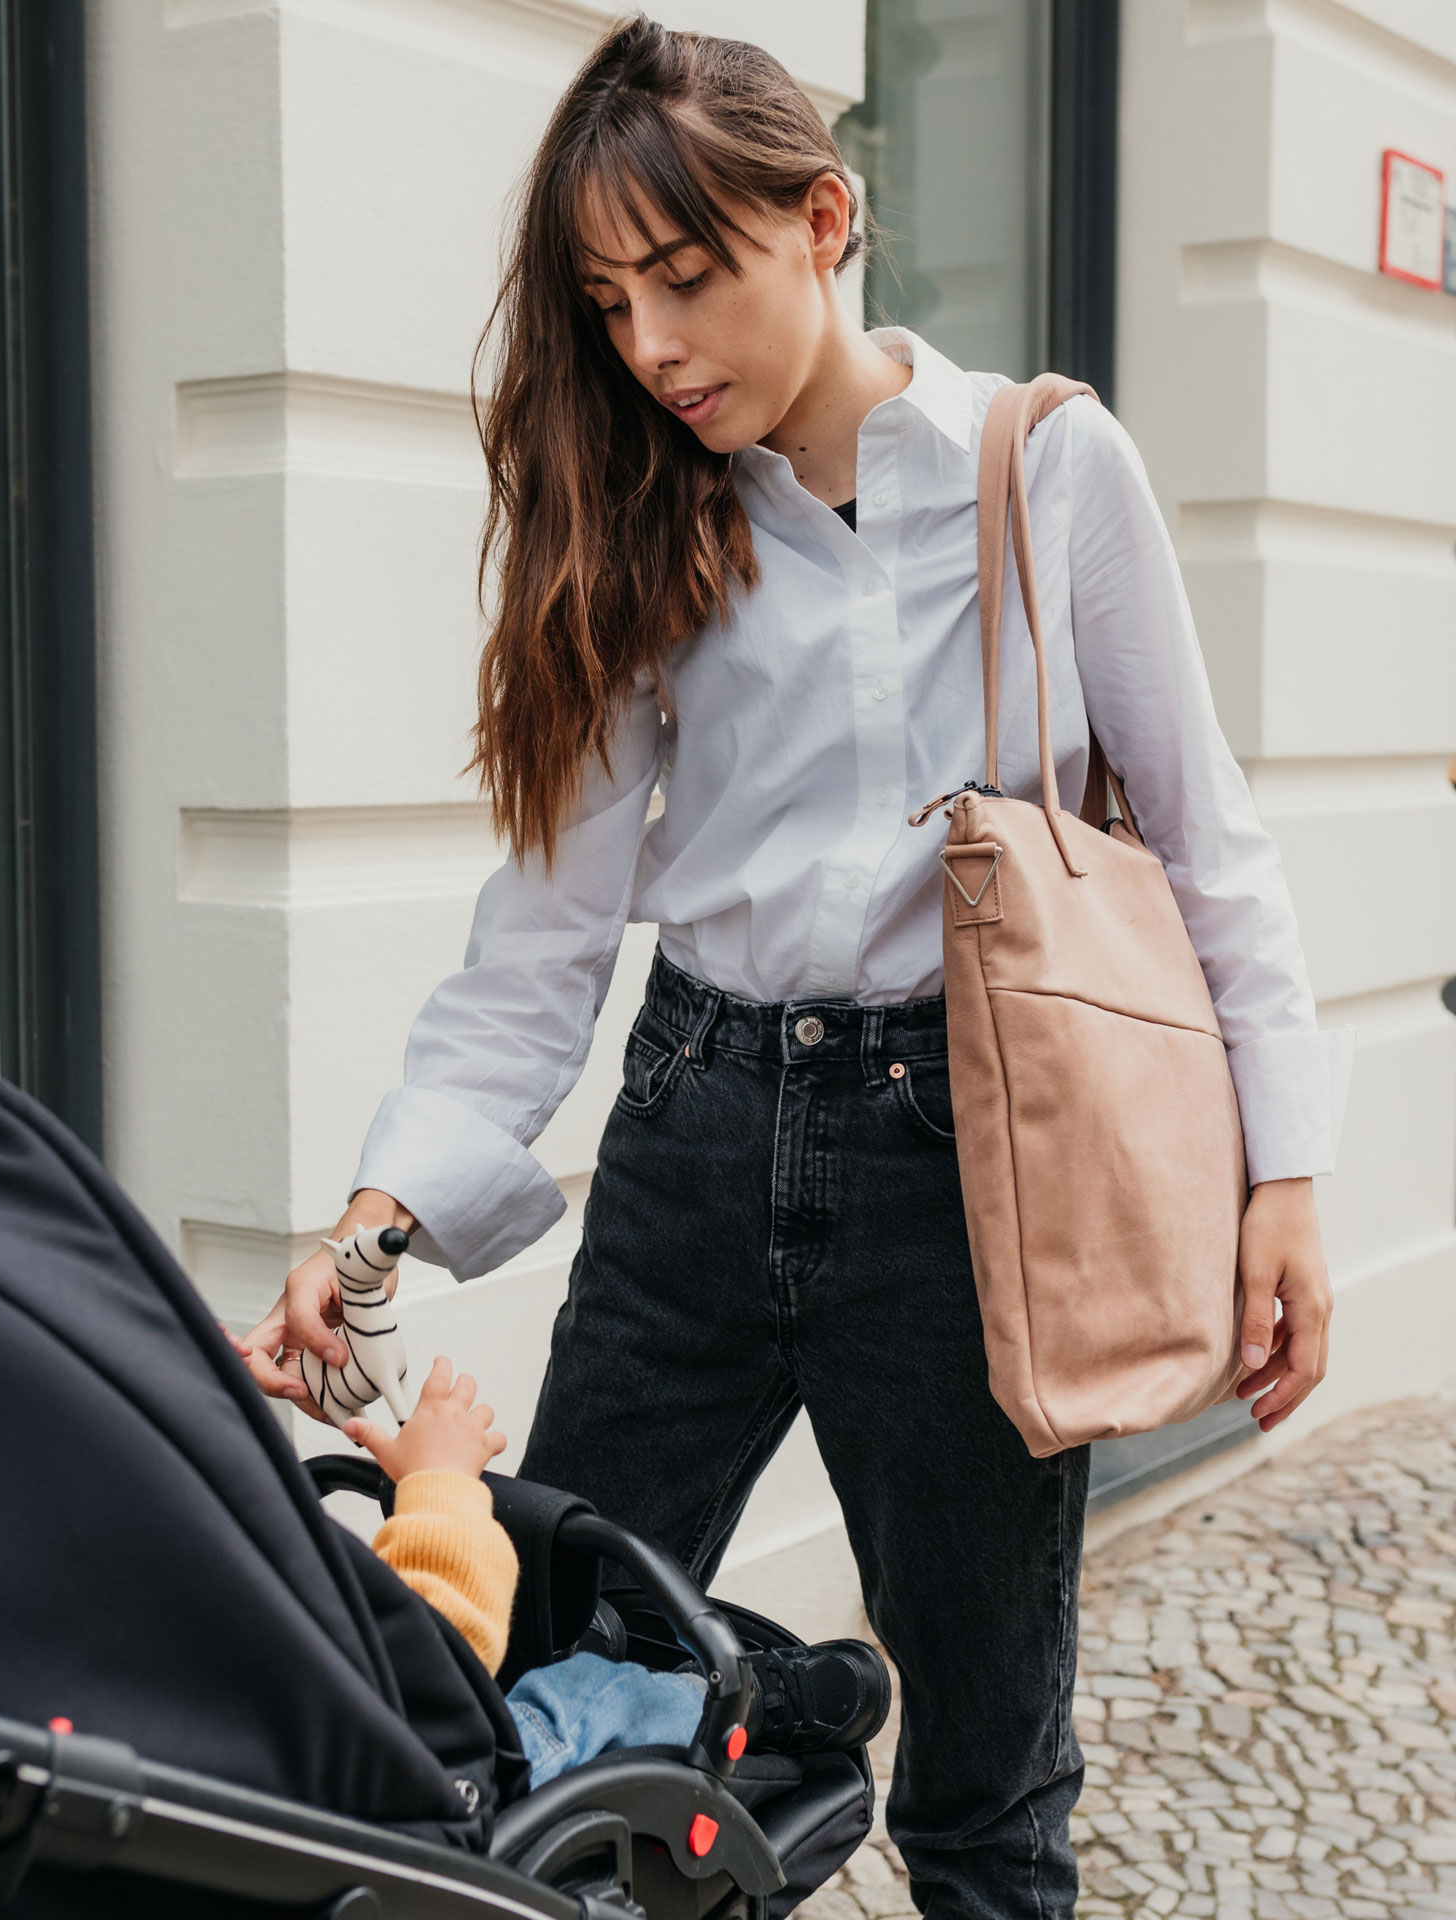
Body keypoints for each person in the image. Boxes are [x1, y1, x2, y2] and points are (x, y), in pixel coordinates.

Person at [231, 15, 1346, 1912]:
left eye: (686, 278)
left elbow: (1207, 838)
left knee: (988, 1793)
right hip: (693, 1138)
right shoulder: (643, 521)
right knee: (551, 1711)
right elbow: (541, 950)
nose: (651, 347)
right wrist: (371, 1225)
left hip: (968, 1172)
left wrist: (1288, 1173)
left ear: (821, 218)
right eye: (609, 304)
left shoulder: (1047, 469)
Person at [357, 1353, 886, 1788]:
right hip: (425, 1788)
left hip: (321, 1777)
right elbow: (426, 1679)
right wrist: (440, 1489)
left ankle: (577, 1651)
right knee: (587, 1698)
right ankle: (725, 1706)